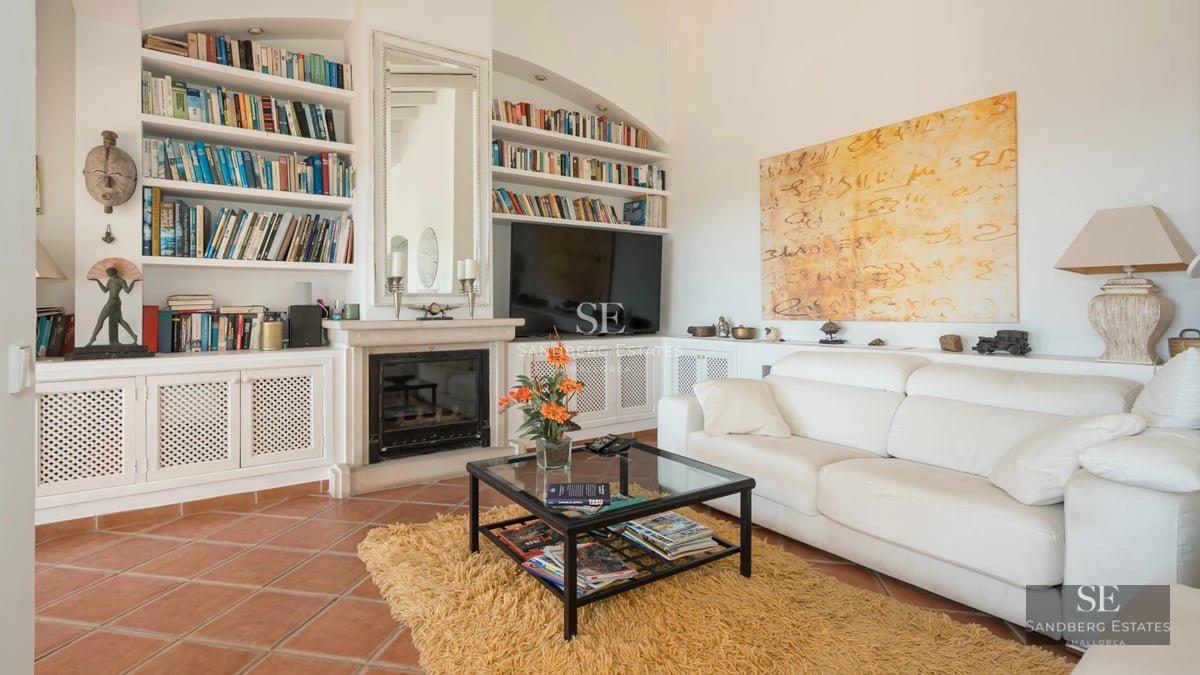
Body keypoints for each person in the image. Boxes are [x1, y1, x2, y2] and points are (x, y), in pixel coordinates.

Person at [86, 266, 138, 346]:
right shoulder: (110, 281)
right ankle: (133, 336)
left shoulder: (121, 281)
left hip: (115, 302)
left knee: (105, 320)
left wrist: (133, 281)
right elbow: (105, 290)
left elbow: (127, 291)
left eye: (108, 272)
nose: (107, 274)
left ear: (113, 272)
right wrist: (97, 281)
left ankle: (93, 338)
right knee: (116, 320)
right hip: (110, 301)